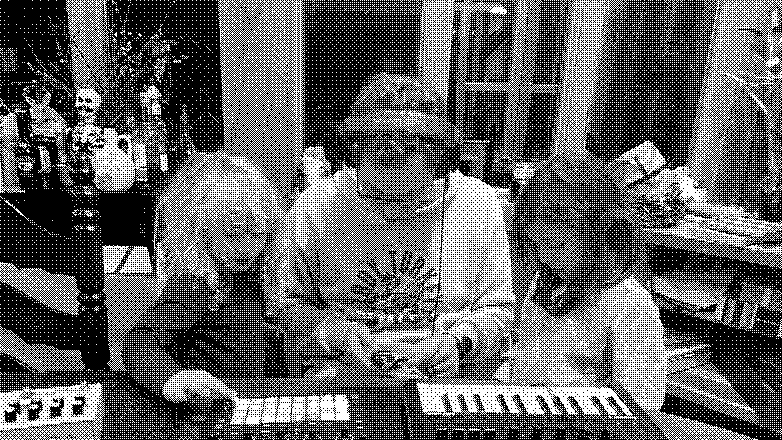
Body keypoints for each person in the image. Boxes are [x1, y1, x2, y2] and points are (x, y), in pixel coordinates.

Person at [278, 73, 515, 379]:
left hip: (444, 386)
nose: (394, 153)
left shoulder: (476, 203)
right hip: (345, 382)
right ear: (354, 148)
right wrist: (338, 335)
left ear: (438, 153)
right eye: (378, 143)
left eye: (411, 144)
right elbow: (287, 305)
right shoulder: (316, 206)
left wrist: (457, 342)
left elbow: (499, 310)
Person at [496, 151, 668, 413]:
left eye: (558, 218)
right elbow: (523, 367)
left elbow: (644, 402)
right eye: (533, 219)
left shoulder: (629, 305)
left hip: (588, 432)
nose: (541, 232)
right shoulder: (542, 287)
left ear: (599, 226)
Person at [123, 152, 285, 409]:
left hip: (254, 406)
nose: (244, 248)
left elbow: (279, 338)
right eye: (231, 235)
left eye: (255, 235)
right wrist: (174, 379)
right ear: (200, 236)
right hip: (207, 411)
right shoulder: (196, 286)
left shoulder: (261, 279)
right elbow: (138, 342)